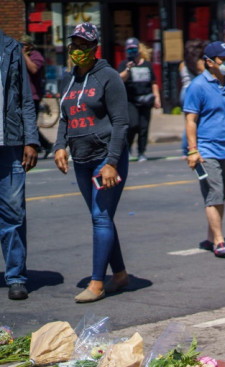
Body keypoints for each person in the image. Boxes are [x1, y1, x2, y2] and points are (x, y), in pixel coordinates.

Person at [53, 22, 130, 303]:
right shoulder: (68, 80)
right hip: (81, 159)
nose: (78, 50)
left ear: (95, 48)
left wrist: (112, 161)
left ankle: (97, 283)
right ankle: (119, 274)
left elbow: (121, 123)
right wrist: (60, 146)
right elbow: (65, 118)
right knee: (102, 217)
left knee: (99, 217)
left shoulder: (108, 77)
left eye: (84, 46)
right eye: (75, 45)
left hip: (105, 160)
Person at [184, 41, 225, 258]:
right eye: (223, 59)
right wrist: (192, 150)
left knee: (222, 195)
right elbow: (191, 120)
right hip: (207, 150)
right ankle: (219, 241)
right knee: (214, 195)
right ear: (209, 62)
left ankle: (211, 238)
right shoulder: (198, 86)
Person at [0, 28, 39, 301]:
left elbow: (25, 98)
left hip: (10, 144)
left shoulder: (11, 48)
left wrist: (31, 140)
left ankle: (15, 276)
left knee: (13, 214)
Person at [118, 38, 161, 162]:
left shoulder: (147, 64)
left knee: (144, 127)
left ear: (139, 49)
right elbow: (119, 80)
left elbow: (154, 82)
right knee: (132, 125)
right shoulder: (124, 64)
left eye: (134, 48)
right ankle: (128, 147)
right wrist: (127, 69)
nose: (132, 51)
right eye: (129, 49)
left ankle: (142, 151)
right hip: (131, 101)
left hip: (146, 100)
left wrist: (157, 97)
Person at [20, 34, 53, 158]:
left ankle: (45, 144)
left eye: (25, 45)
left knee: (29, 124)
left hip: (33, 96)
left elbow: (34, 69)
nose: (22, 48)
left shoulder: (36, 56)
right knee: (24, 124)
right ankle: (40, 145)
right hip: (21, 95)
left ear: (30, 46)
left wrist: (24, 55)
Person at [179, 39, 207, 157]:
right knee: (194, 121)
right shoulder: (198, 62)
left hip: (184, 91)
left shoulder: (183, 63)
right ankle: (190, 148)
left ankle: (186, 149)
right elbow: (203, 74)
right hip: (194, 91)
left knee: (188, 120)